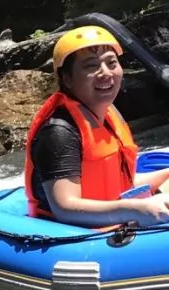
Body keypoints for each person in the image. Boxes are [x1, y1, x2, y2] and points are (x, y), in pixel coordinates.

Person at [25, 25, 169, 227]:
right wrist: (136, 209)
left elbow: (118, 184)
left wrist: (166, 174)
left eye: (112, 63)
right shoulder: (58, 132)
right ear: (66, 78)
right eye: (91, 66)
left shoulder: (109, 113)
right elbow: (65, 207)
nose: (106, 73)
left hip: (109, 216)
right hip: (75, 238)